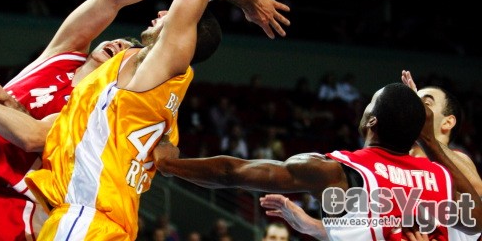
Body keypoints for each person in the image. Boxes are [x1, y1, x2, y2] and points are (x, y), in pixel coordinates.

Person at [0, 0, 289, 241]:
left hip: (27, 208)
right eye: (118, 41)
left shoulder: (104, 98)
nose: (120, 46)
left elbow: (32, 136)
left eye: (128, 50)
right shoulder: (64, 59)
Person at [154, 82, 482, 241]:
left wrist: (170, 165)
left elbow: (233, 172)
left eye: (370, 103)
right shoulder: (441, 178)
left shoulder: (338, 172)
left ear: (372, 121)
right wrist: (430, 142)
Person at [261, 69, 482, 241]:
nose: (415, 109)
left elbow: (476, 196)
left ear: (448, 122)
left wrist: (429, 140)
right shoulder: (389, 171)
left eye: (423, 104)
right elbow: (364, 231)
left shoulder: (455, 163)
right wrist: (312, 226)